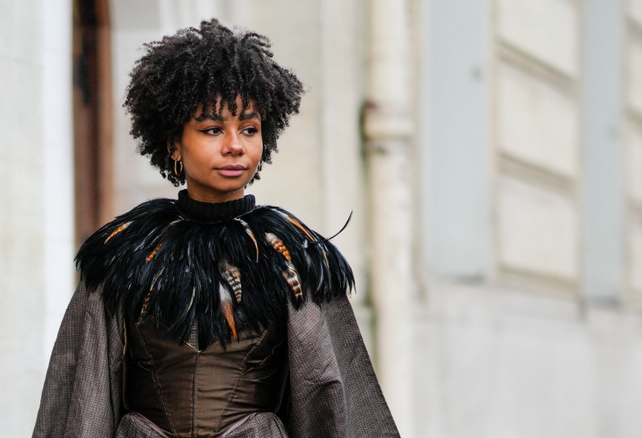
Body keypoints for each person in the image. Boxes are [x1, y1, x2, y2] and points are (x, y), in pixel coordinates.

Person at [33, 19, 399, 438]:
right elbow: (82, 399)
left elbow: (332, 399)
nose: (235, 146)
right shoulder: (126, 258)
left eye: (249, 129)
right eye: (211, 129)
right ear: (174, 143)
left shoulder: (292, 259)